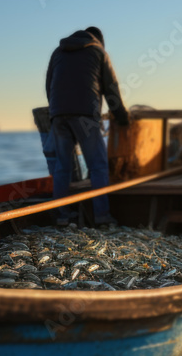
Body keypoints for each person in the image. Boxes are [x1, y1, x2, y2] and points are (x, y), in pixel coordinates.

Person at [45, 26, 129, 226]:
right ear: (99, 40)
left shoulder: (58, 51)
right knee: (98, 166)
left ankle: (62, 217)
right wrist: (123, 117)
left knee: (62, 167)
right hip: (85, 115)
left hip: (58, 114)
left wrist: (56, 110)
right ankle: (102, 216)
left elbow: (49, 85)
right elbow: (111, 89)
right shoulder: (98, 51)